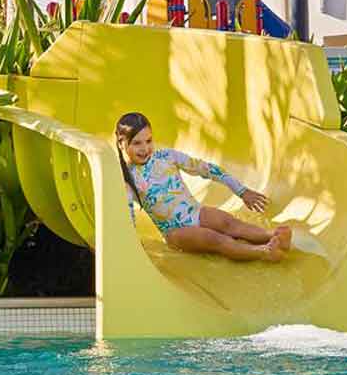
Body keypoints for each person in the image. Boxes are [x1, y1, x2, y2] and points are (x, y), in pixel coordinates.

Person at [114, 112, 292, 262]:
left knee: (229, 223)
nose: (145, 148)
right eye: (137, 143)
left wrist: (242, 191)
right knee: (213, 238)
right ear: (122, 143)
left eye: (148, 140)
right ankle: (264, 251)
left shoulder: (166, 156)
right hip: (175, 232)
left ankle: (271, 235)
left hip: (195, 212)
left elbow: (206, 169)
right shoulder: (128, 181)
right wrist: (133, 254)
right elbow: (128, 222)